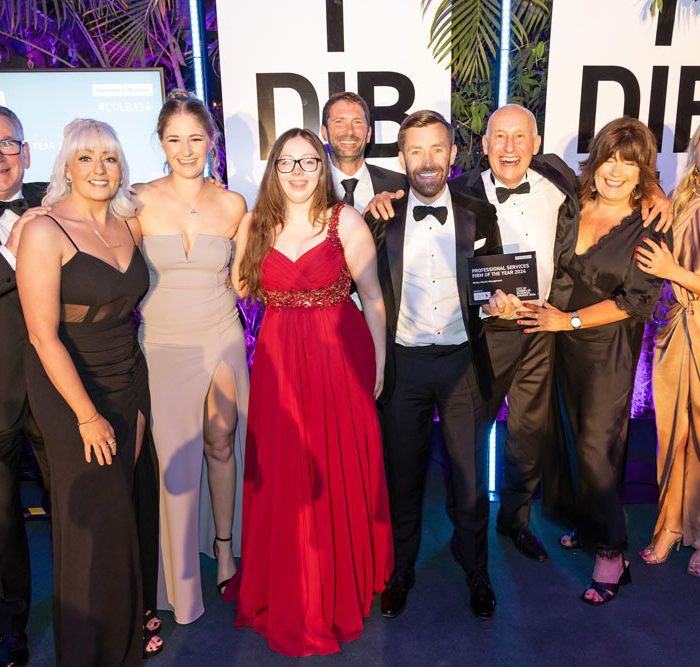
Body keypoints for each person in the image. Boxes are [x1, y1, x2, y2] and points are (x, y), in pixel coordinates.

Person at [368, 104, 671, 562]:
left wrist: (654, 191)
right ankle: (464, 530)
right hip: (485, 334)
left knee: (529, 436)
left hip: (544, 328)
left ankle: (515, 520)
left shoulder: (559, 179)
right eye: (499, 138)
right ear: (483, 145)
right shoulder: (459, 191)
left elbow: (618, 177)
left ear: (536, 145)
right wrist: (383, 199)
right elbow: (414, 197)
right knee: (468, 440)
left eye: (520, 137)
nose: (509, 148)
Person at [229, 127, 393, 656]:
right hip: (279, 361)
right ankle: (292, 581)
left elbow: (372, 298)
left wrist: (379, 362)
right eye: (287, 162)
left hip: (339, 357)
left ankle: (340, 578)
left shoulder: (345, 221)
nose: (297, 172)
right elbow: (239, 287)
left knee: (337, 464)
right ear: (273, 169)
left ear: (323, 169)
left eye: (308, 162)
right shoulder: (255, 223)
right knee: (285, 473)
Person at [516, 117, 668, 605]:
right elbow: (532, 158)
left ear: (643, 172)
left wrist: (569, 321)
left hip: (606, 351)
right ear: (595, 160)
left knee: (597, 447)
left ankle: (611, 554)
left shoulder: (649, 225)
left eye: (630, 163)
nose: (616, 171)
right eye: (609, 158)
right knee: (566, 437)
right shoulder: (572, 201)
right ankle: (586, 523)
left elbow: (634, 302)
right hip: (559, 345)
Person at [17, 118, 148, 664]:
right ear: (66, 167)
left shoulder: (129, 223)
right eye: (86, 158)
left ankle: (124, 641)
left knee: (121, 512)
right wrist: (87, 416)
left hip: (129, 376)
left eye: (110, 158)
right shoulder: (44, 230)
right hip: (72, 387)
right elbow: (42, 336)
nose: (99, 169)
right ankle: (87, 652)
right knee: (91, 523)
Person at [367, 110, 502, 620]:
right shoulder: (380, 216)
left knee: (470, 479)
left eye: (437, 149)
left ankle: (477, 569)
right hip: (404, 365)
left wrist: (499, 301)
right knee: (403, 477)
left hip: (463, 362)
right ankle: (400, 570)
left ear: (453, 154)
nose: (427, 161)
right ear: (402, 158)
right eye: (416, 150)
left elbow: (492, 281)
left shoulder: (478, 213)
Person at [135, 90, 249, 624]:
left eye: (196, 139)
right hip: (162, 343)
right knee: (173, 462)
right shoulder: (135, 200)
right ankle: (179, 577)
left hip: (221, 336)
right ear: (160, 142)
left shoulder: (233, 205)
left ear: (211, 141)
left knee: (221, 443)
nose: (186, 150)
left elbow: (244, 281)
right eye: (175, 139)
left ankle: (225, 550)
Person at [636, 125, 700, 576]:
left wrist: (672, 270)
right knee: (673, 433)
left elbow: (671, 266)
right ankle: (672, 525)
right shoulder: (682, 195)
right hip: (674, 329)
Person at [0, 106, 49, 667]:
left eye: (8, 144)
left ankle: (95, 610)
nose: (0, 157)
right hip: (0, 394)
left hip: (60, 386)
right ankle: (11, 627)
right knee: (2, 522)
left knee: (77, 506)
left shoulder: (57, 204)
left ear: (27, 153)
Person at [321, 91, 405, 212]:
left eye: (357, 122)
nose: (349, 131)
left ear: (369, 133)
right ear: (324, 132)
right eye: (339, 122)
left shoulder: (399, 185)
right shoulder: (310, 187)